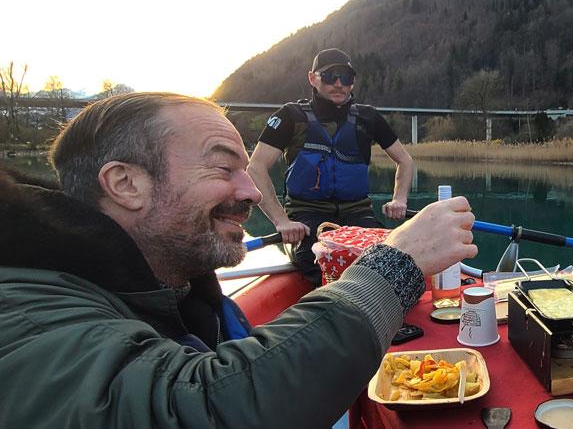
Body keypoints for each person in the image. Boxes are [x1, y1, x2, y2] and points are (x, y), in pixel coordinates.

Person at [0, 92, 476, 428]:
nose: (251, 191)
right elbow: (197, 408)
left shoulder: (173, 286)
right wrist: (394, 262)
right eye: (224, 167)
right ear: (126, 185)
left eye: (246, 169)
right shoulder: (24, 314)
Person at [248, 48, 414, 285]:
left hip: (358, 213)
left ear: (353, 82)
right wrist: (281, 221)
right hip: (307, 216)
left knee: (389, 262)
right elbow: (255, 168)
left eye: (345, 78)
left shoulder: (369, 118)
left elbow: (405, 160)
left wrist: (399, 199)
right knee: (317, 262)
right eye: (329, 76)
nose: (339, 83)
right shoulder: (290, 116)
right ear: (312, 78)